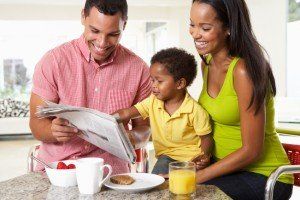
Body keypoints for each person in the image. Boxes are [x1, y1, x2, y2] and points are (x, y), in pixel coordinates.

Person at [29, 0, 151, 174]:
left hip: (110, 173)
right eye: (95, 31)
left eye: (113, 34)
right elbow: (36, 122)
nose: (102, 43)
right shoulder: (53, 62)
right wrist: (52, 130)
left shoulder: (139, 70)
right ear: (83, 17)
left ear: (125, 24)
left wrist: (130, 138)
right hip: (58, 170)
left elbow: (144, 129)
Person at [189, 0, 293, 199]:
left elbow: (251, 151)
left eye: (205, 27)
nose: (195, 34)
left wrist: (198, 176)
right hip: (225, 168)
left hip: (264, 175)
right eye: (192, 24)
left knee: (191, 192)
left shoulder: (243, 71)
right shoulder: (207, 64)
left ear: (229, 27)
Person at [116, 47, 213, 175]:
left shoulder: (195, 111)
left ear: (180, 84)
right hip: (166, 158)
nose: (153, 85)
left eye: (159, 81)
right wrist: (102, 121)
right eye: (152, 80)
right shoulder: (152, 101)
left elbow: (206, 138)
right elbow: (126, 113)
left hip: (191, 161)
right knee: (157, 182)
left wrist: (204, 157)